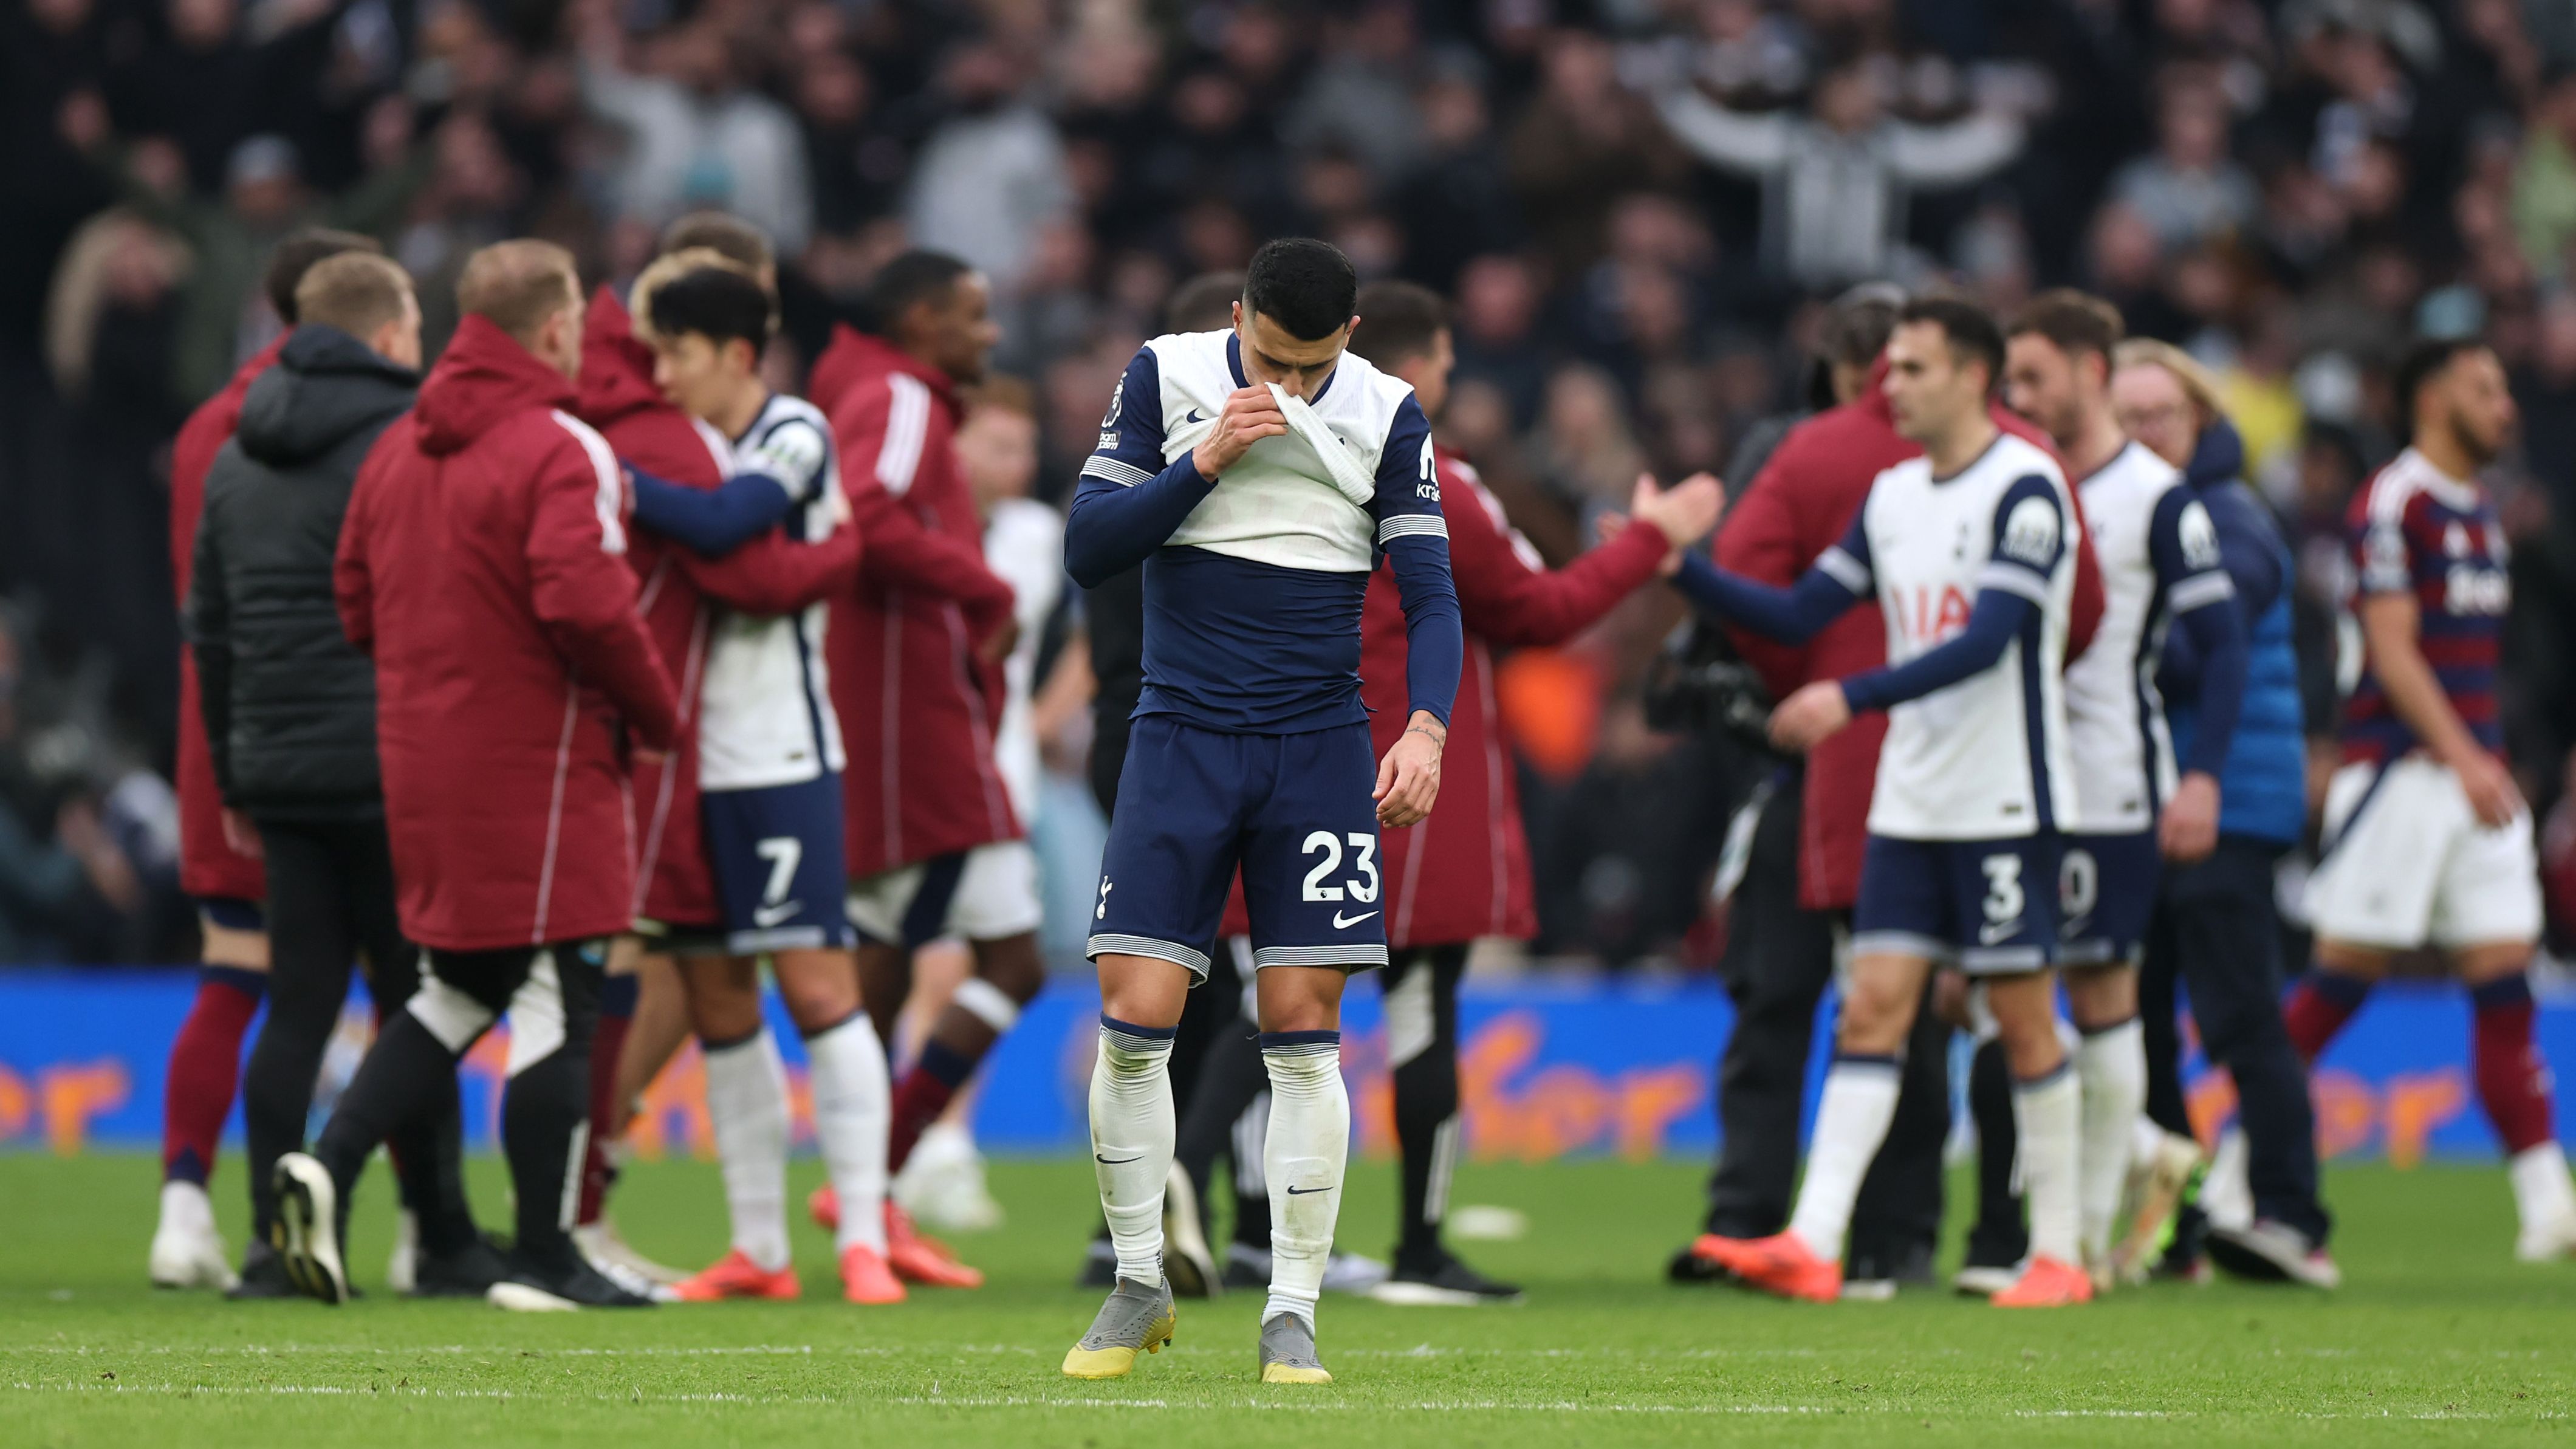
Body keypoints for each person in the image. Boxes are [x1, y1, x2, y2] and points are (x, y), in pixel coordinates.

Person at [1161, 279, 1719, 1307]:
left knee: (1274, 997)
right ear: (1412, 369)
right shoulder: (1429, 474)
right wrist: (1652, 540)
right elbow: (1539, 608)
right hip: (1399, 776)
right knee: (1412, 1003)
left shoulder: (1258, 456)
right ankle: (1411, 1240)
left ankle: (1192, 1197)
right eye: (1450, 371)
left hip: (1274, 763)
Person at [1060, 238, 1461, 1382]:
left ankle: (1292, 1307)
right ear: (1234, 316)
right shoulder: (1166, 373)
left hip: (1316, 750)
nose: (1283, 389)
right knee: (1135, 1016)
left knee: (1300, 1025)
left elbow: (1432, 595)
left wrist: (1425, 727)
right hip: (1178, 736)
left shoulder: (1390, 415)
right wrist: (1201, 464)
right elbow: (1091, 549)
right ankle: (1139, 1282)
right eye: (1267, 361)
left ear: (1352, 340)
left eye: (1308, 365)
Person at [1672, 289, 2106, 1298]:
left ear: (1972, 375)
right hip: (1911, 801)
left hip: (2007, 799)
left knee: (2024, 1019)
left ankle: (2062, 1253)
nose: (1888, 383)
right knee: (1873, 1011)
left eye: (1911, 367)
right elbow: (1800, 607)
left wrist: (1848, 694)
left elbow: (1993, 637)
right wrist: (1677, 567)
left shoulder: (2029, 487)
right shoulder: (1896, 495)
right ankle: (1814, 1243)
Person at [272, 239, 679, 1311]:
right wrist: (656, 711)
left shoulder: (398, 447)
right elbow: (585, 603)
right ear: (554, 331)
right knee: (563, 990)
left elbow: (354, 598)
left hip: (419, 759)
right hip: (542, 760)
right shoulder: (560, 446)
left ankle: (329, 1161)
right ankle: (545, 1256)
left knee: (456, 987)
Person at [566, 217, 858, 1295]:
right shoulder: (645, 432)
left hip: (714, 740)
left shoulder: (752, 425)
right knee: (645, 966)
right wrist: (828, 558)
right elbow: (737, 549)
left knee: (692, 969)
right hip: (667, 738)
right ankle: (583, 1181)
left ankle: (585, 1179)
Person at [189, 252, 490, 1300]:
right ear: (391, 332)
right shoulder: (408, 438)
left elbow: (211, 631)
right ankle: (443, 1236)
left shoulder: (238, 449)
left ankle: (275, 1243)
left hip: (278, 766)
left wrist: (233, 771)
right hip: (394, 760)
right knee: (427, 998)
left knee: (298, 1005)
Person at [617, 259, 902, 1306]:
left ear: (735, 355)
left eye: (677, 353)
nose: (662, 372)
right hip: (693, 762)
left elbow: (728, 525)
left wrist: (619, 487)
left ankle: (864, 1233)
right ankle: (761, 1250)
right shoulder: (683, 443)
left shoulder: (794, 431)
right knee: (716, 995)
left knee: (818, 988)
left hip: (781, 756)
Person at [2280, 338, 2576, 1264]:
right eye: (2485, 388)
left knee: (2504, 987)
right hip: (2402, 775)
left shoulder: (2483, 511)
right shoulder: (2394, 499)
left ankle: (2548, 1208)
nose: (2505, 405)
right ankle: (2240, 1160)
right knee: (2339, 983)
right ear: (2434, 396)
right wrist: (2462, 755)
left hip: (2475, 781)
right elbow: (2392, 648)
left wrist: (2491, 759)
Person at [1985, 292, 2246, 1290]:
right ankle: (2140, 1155)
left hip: (2108, 785)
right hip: (2011, 781)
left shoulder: (2157, 496)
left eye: (2034, 377)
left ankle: (2086, 1238)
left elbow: (2223, 648)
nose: (2018, 396)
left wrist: (2205, 777)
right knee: (1982, 997)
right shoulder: (2019, 477)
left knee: (2101, 996)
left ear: (2090, 375)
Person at [151, 226, 383, 1295]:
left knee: (235, 971)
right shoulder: (372, 423)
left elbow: (198, 598)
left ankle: (185, 1208)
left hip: (225, 732)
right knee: (388, 977)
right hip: (339, 728)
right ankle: (414, 1221)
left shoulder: (210, 425)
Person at [809, 252, 1035, 1291]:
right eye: (972, 315)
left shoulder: (874, 386)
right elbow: (872, 510)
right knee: (939, 958)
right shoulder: (895, 392)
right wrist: (980, 586)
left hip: (916, 712)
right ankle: (862, 1187)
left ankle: (870, 1185)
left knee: (963, 958)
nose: (987, 337)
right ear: (919, 316)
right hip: (908, 721)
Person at [2110, 339, 2333, 1285]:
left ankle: (2293, 1215)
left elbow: (2210, 644)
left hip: (2228, 798)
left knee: (2238, 1014)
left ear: (2202, 419)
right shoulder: (2158, 510)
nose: (2144, 432)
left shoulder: (2224, 517)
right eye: (2126, 417)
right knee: (2144, 1021)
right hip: (2146, 797)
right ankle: (2182, 1227)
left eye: (2161, 413)